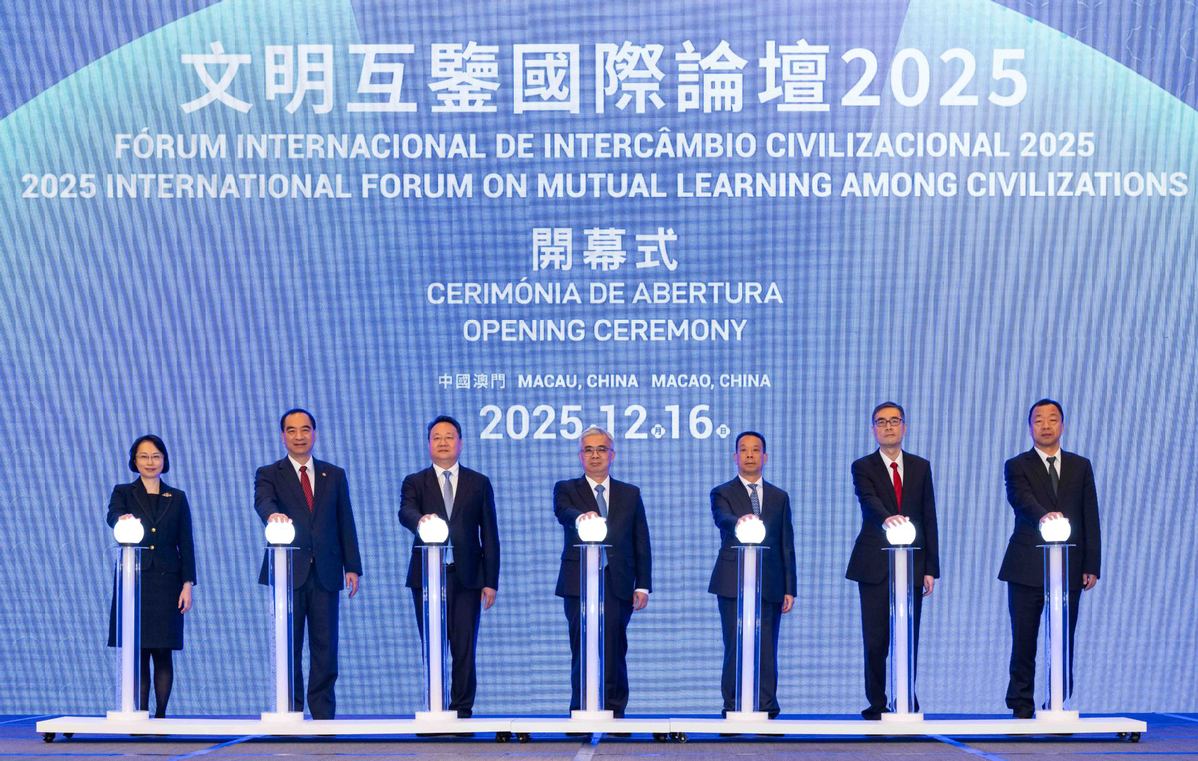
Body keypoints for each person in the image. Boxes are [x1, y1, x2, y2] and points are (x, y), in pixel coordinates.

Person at [254, 408, 362, 720]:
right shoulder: (269, 473)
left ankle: (323, 714)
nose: (299, 436)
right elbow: (263, 501)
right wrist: (272, 515)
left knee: (325, 647)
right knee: (288, 644)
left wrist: (352, 566)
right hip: (287, 572)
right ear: (282, 436)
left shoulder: (334, 474)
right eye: (291, 430)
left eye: (305, 430)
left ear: (314, 433)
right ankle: (290, 710)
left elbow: (345, 521)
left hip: (326, 572)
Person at [1000, 398, 1100, 719]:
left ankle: (1058, 701)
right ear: (1030, 427)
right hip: (1026, 565)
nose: (1046, 425)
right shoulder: (1017, 465)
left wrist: (1091, 564)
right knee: (1024, 638)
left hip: (1069, 566)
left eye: (1052, 419)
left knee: (1063, 638)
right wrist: (1045, 516)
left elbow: (1090, 515)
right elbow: (1020, 499)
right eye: (1039, 420)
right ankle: (1021, 704)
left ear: (1062, 425)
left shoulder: (1080, 466)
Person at [399, 415, 500, 718]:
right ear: (428, 444)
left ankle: (462, 710)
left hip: (466, 577)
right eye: (437, 437)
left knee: (464, 645)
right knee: (432, 644)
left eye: (449, 437)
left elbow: (490, 534)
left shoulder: (478, 482)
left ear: (460, 442)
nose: (443, 442)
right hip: (427, 578)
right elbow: (405, 511)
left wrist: (490, 581)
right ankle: (435, 708)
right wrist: (421, 520)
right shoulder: (415, 481)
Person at [846, 403, 939, 720]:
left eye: (894, 421)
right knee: (876, 640)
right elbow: (868, 501)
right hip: (874, 563)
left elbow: (928, 516)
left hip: (913, 564)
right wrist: (889, 520)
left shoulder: (921, 467)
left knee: (908, 635)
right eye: (881, 422)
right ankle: (876, 702)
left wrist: (930, 568)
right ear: (873, 429)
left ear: (904, 426)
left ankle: (906, 697)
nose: (888, 427)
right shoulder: (863, 466)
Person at [554, 426, 651, 717]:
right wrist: (581, 517)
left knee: (614, 647)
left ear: (612, 455)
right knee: (581, 645)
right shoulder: (566, 489)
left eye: (601, 449)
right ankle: (581, 708)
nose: (595, 455)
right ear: (580, 456)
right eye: (588, 450)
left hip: (616, 580)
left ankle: (614, 710)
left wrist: (642, 585)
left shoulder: (630, 493)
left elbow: (641, 540)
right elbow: (563, 512)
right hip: (578, 581)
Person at [106, 434, 196, 718]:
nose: (150, 462)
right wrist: (121, 519)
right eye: (144, 456)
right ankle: (140, 714)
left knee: (163, 651)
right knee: (139, 651)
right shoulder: (123, 492)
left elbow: (186, 542)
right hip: (135, 582)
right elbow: (112, 516)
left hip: (168, 583)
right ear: (134, 461)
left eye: (156, 456)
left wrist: (188, 584)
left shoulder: (177, 497)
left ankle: (160, 716)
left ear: (164, 460)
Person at [708, 431, 796, 718]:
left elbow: (786, 543)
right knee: (735, 644)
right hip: (732, 581)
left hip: (770, 582)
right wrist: (740, 521)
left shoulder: (779, 497)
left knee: (767, 646)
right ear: (735, 457)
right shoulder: (722, 492)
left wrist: (790, 587)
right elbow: (722, 518)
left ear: (764, 457)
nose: (749, 455)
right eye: (743, 450)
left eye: (755, 450)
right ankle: (733, 706)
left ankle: (767, 708)